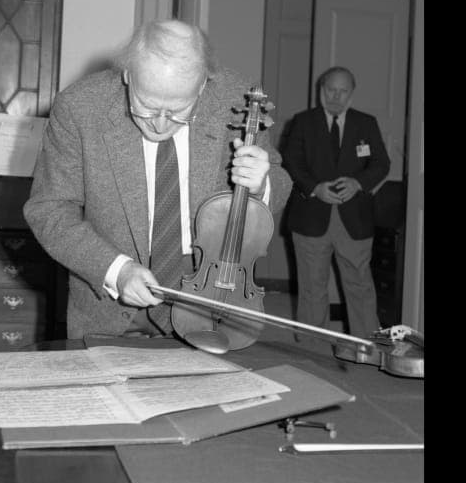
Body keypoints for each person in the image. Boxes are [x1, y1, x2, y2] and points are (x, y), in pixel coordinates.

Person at [24, 20, 292, 340]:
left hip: (210, 297)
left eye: (178, 110)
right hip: (110, 306)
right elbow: (49, 209)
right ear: (127, 75)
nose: (161, 124)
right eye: (147, 107)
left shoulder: (239, 101)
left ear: (203, 86)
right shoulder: (80, 108)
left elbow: (279, 181)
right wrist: (116, 270)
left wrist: (261, 185)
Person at [283, 66, 390, 340]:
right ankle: (312, 348)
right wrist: (315, 188)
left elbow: (381, 164)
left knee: (360, 285)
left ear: (351, 95)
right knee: (311, 286)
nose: (336, 96)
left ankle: (366, 346)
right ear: (321, 90)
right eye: (331, 90)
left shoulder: (366, 123)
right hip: (310, 217)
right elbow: (291, 162)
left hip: (354, 220)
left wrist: (358, 183)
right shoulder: (302, 122)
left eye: (343, 91)